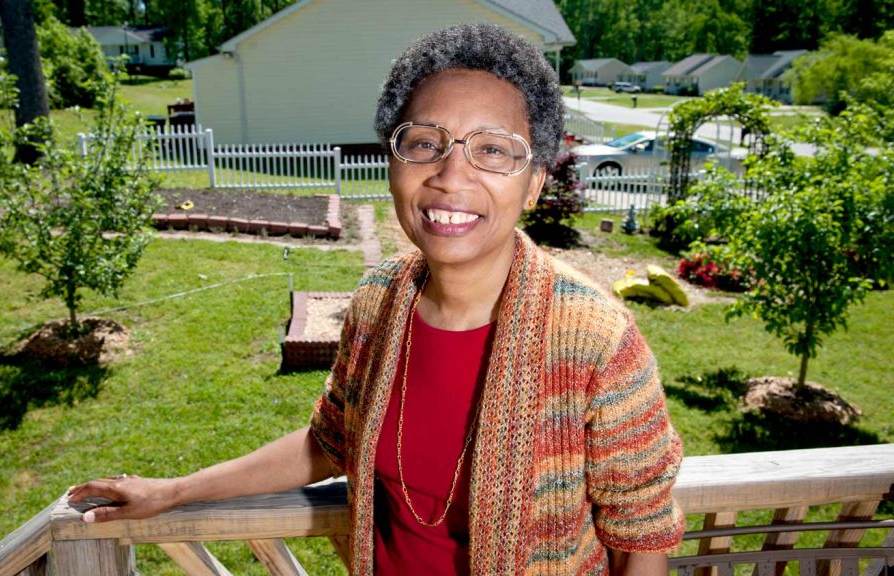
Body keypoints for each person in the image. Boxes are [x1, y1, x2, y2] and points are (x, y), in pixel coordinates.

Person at [69, 23, 685, 575]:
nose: (451, 174)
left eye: (493, 149)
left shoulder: (594, 339)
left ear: (534, 185)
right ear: (393, 160)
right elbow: (330, 439)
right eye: (424, 142)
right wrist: (174, 490)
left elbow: (642, 536)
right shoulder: (380, 300)